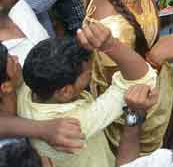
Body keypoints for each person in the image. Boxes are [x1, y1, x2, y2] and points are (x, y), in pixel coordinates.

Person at [83, 0, 173, 155]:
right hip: (140, 109)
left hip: (161, 84)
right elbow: (121, 88)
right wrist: (155, 58)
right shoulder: (111, 26)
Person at [19, 20, 159, 166]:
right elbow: (141, 79)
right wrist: (111, 44)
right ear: (65, 91)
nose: (92, 76)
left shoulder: (27, 91)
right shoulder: (76, 124)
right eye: (89, 74)